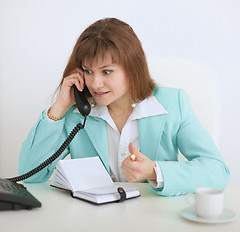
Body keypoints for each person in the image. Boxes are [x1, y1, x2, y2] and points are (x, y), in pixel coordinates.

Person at [19, 18, 230, 196]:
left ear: (132, 68)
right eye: (88, 71)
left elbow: (217, 171)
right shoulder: (77, 114)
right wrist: (59, 108)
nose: (95, 84)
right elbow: (30, 174)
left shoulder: (174, 104)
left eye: (107, 72)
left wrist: (154, 171)